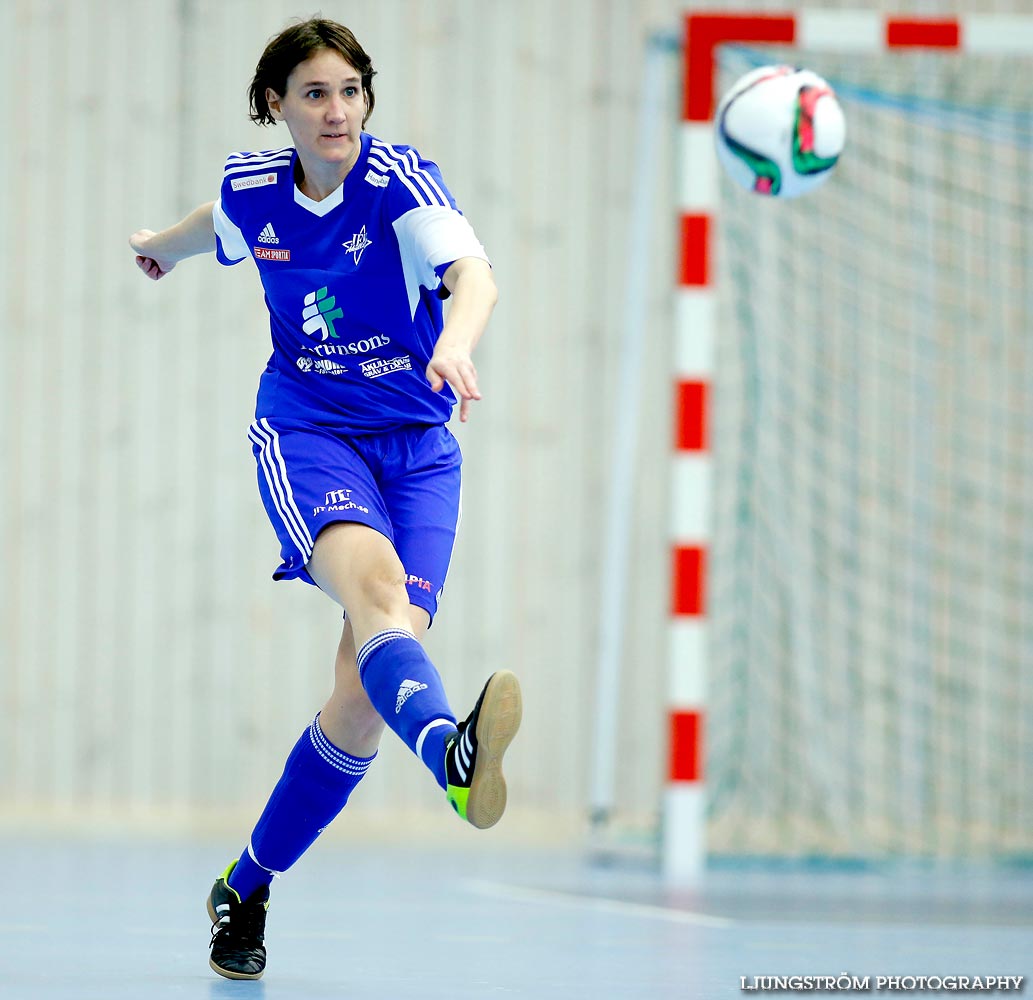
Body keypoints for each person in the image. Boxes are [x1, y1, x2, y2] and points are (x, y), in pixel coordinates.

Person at [128, 17, 521, 982]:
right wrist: (157, 249)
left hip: (420, 447)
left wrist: (457, 339)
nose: (336, 110)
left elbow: (473, 273)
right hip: (309, 432)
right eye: (314, 93)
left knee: (357, 698)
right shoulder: (253, 190)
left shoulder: (399, 184)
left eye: (350, 90)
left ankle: (245, 885)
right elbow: (206, 230)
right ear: (277, 107)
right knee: (380, 594)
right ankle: (455, 763)